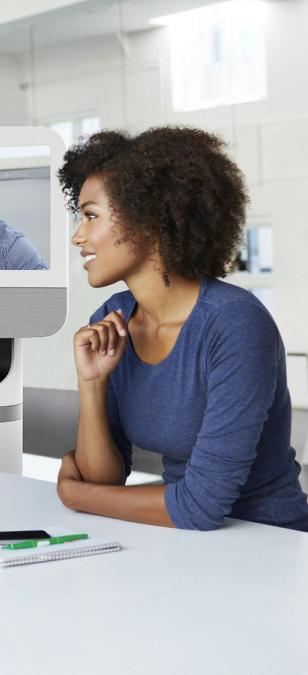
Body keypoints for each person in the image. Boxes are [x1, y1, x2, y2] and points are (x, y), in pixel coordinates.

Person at [56, 127, 308, 532]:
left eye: (90, 215)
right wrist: (92, 384)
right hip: (180, 541)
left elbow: (200, 506)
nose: (77, 236)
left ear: (149, 218)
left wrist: (75, 495)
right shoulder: (113, 319)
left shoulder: (234, 324)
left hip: (269, 542)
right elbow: (104, 480)